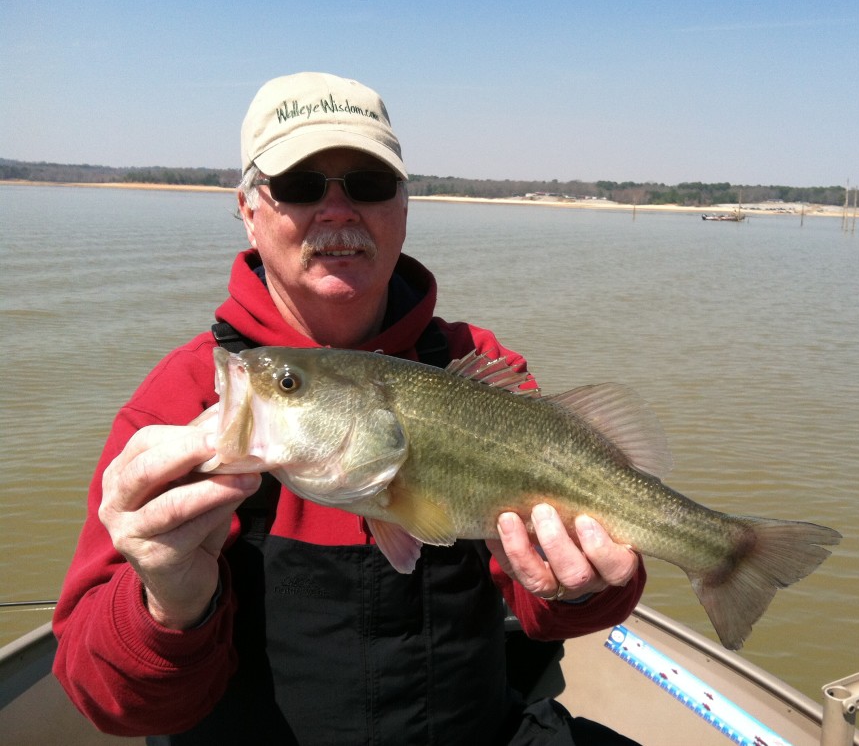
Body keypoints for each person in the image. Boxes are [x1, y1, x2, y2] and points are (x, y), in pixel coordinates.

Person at [53, 72, 645, 745]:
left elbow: (550, 611)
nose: (336, 212)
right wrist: (169, 601)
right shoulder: (185, 396)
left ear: (402, 207)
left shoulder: (478, 368)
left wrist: (580, 587)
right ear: (248, 208)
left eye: (367, 185)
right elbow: (108, 700)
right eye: (300, 187)